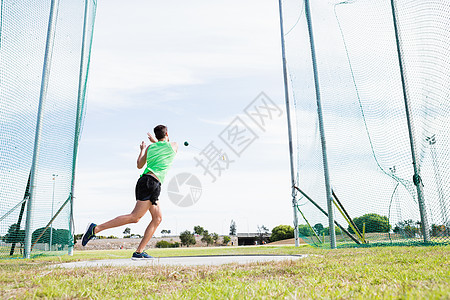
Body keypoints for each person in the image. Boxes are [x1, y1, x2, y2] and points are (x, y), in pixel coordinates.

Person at [81, 125, 177, 259]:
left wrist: (143, 149)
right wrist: (155, 141)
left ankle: (139, 252)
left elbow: (139, 165)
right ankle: (96, 229)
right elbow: (165, 145)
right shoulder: (173, 145)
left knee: (157, 218)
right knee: (135, 217)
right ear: (167, 133)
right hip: (152, 183)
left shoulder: (150, 148)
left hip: (144, 181)